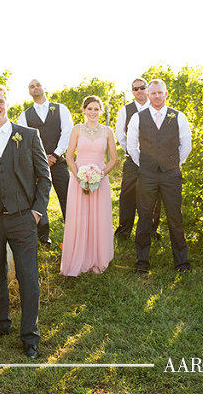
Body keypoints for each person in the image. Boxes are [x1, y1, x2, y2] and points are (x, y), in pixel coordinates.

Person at [0, 83, 51, 360]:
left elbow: (44, 176)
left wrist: (37, 213)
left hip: (23, 219)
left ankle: (30, 336)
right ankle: (0, 323)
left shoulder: (28, 135)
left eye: (0, 101)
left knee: (28, 277)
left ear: (7, 103)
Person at [127, 79, 192, 273]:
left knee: (175, 216)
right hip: (146, 174)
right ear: (148, 95)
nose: (156, 96)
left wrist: (173, 164)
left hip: (171, 175)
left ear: (166, 94)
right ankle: (142, 262)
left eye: (159, 93)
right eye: (152, 93)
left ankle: (181, 263)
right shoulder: (138, 118)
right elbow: (132, 146)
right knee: (145, 216)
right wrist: (145, 165)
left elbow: (186, 145)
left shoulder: (178, 116)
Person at [60, 96, 117, 276]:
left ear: (101, 111)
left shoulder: (108, 131)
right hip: (78, 181)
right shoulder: (77, 130)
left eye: (96, 109)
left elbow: (114, 159)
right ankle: (79, 256)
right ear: (83, 110)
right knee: (79, 217)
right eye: (89, 109)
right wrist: (79, 177)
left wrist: (100, 176)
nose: (93, 112)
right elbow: (69, 156)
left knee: (99, 217)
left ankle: (98, 258)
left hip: (100, 181)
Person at [17, 79, 73, 246]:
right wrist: (42, 159)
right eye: (32, 86)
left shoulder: (61, 109)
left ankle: (72, 233)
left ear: (44, 87)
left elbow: (67, 133)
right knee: (40, 199)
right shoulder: (24, 116)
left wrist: (55, 155)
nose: (36, 88)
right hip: (37, 166)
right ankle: (43, 236)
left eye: (38, 85)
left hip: (59, 162)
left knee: (67, 197)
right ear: (29, 92)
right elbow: (25, 142)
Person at [114, 77, 162, 241]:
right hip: (132, 160)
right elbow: (120, 134)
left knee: (153, 195)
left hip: (153, 160)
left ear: (147, 90)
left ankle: (151, 230)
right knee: (127, 194)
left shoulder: (156, 107)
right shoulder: (126, 110)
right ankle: (124, 230)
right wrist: (131, 150)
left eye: (142, 88)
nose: (139, 91)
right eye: (135, 89)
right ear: (132, 92)